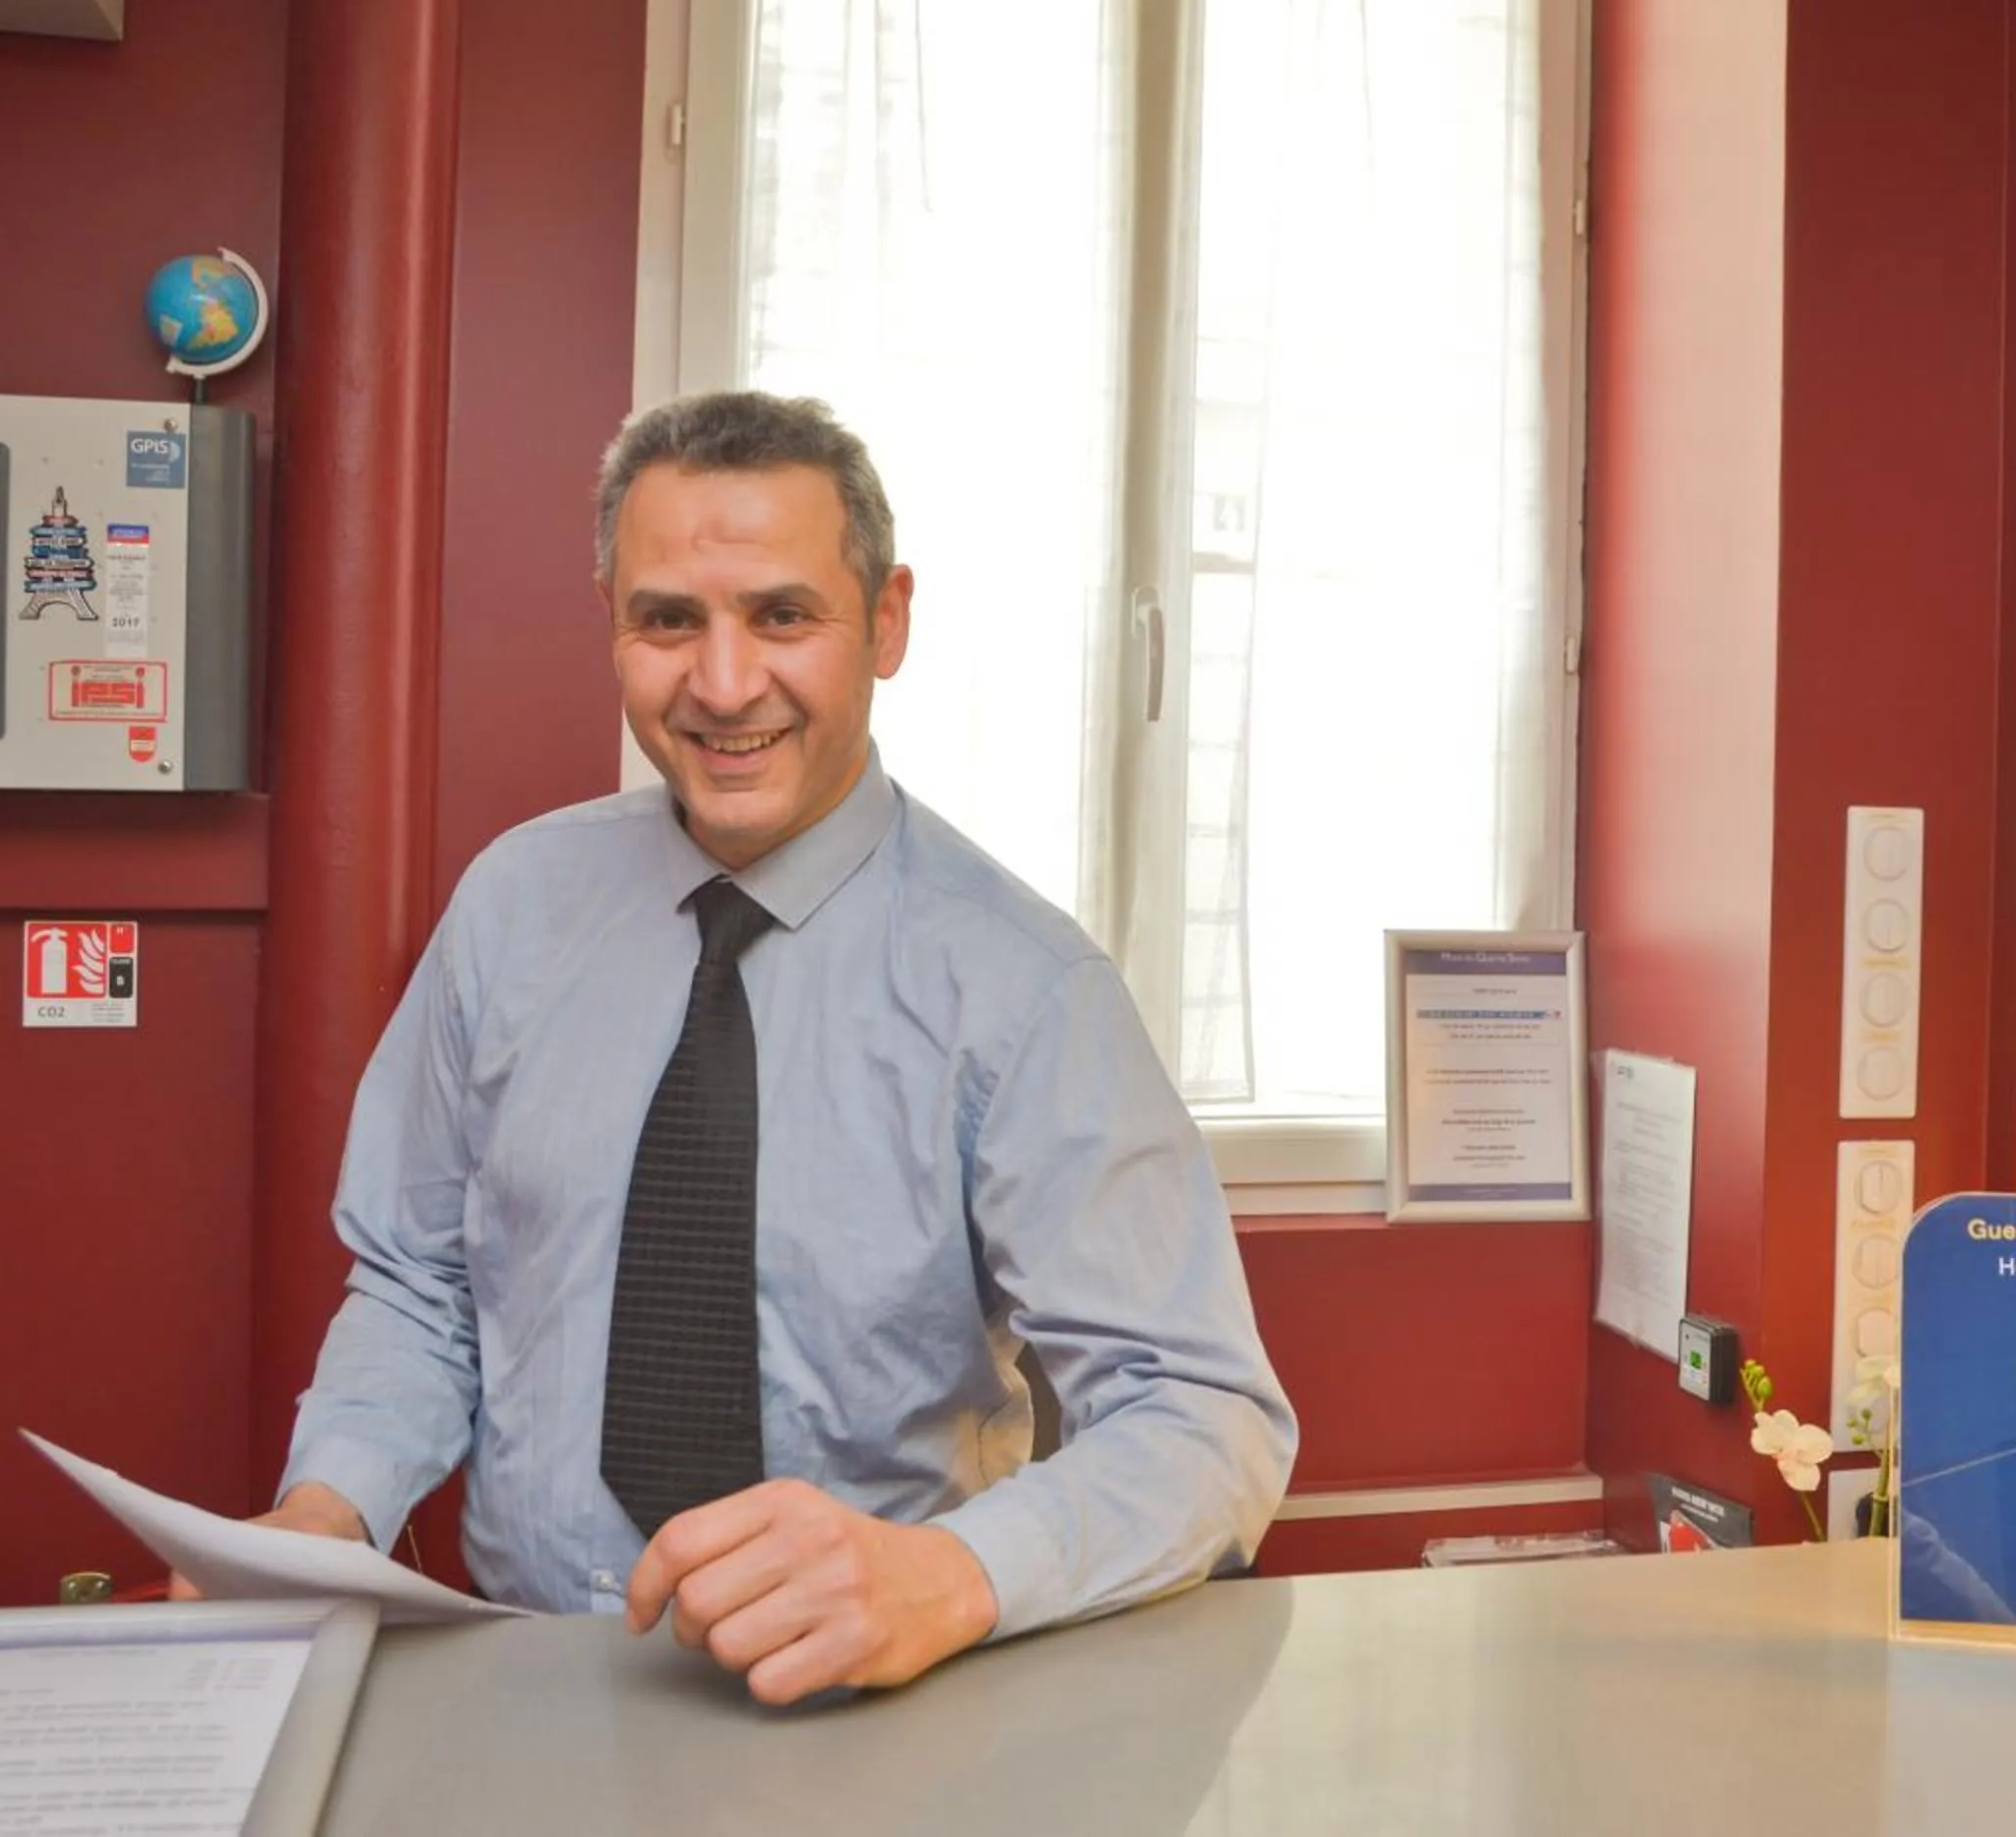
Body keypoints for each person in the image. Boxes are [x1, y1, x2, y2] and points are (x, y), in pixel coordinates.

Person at [196, 391, 1297, 1707]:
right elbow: (423, 1281)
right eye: (670, 620)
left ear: (885, 623)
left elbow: (1202, 1416)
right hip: (524, 1684)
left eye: (783, 616)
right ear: (612, 620)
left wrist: (945, 1577)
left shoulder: (1025, 989)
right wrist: (333, 1510)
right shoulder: (512, 908)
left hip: (880, 1705)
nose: (723, 686)